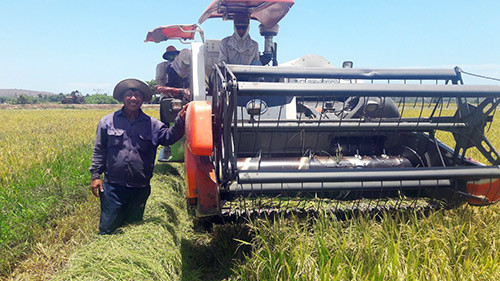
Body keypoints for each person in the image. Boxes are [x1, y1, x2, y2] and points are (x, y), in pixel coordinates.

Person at [89, 78, 188, 234]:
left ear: (143, 100)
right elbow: (99, 149)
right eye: (129, 94)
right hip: (113, 187)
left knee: (133, 230)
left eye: (137, 96)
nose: (133, 98)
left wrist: (181, 120)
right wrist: (95, 176)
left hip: (139, 188)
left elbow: (169, 137)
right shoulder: (107, 122)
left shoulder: (153, 124)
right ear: (123, 97)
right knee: (108, 229)